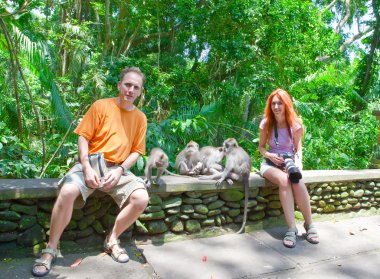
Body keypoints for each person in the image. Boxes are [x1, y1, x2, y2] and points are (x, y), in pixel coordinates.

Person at [32, 67, 149, 277]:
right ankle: (50, 249)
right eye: (127, 85)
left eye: (136, 87)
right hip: (92, 162)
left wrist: (121, 169)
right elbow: (83, 136)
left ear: (140, 92)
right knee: (67, 191)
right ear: (119, 85)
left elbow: (137, 151)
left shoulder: (140, 118)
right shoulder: (101, 106)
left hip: (118, 169)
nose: (130, 90)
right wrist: (85, 166)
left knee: (141, 198)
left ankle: (112, 239)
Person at [258, 88, 319, 248]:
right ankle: (291, 228)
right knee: (284, 181)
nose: (276, 107)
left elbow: (298, 149)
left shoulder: (295, 124)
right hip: (270, 163)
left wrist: (297, 165)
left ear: (286, 105)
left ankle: (309, 225)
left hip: (290, 162)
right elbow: (261, 148)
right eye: (273, 104)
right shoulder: (266, 123)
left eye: (280, 103)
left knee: (296, 181)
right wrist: (269, 155)